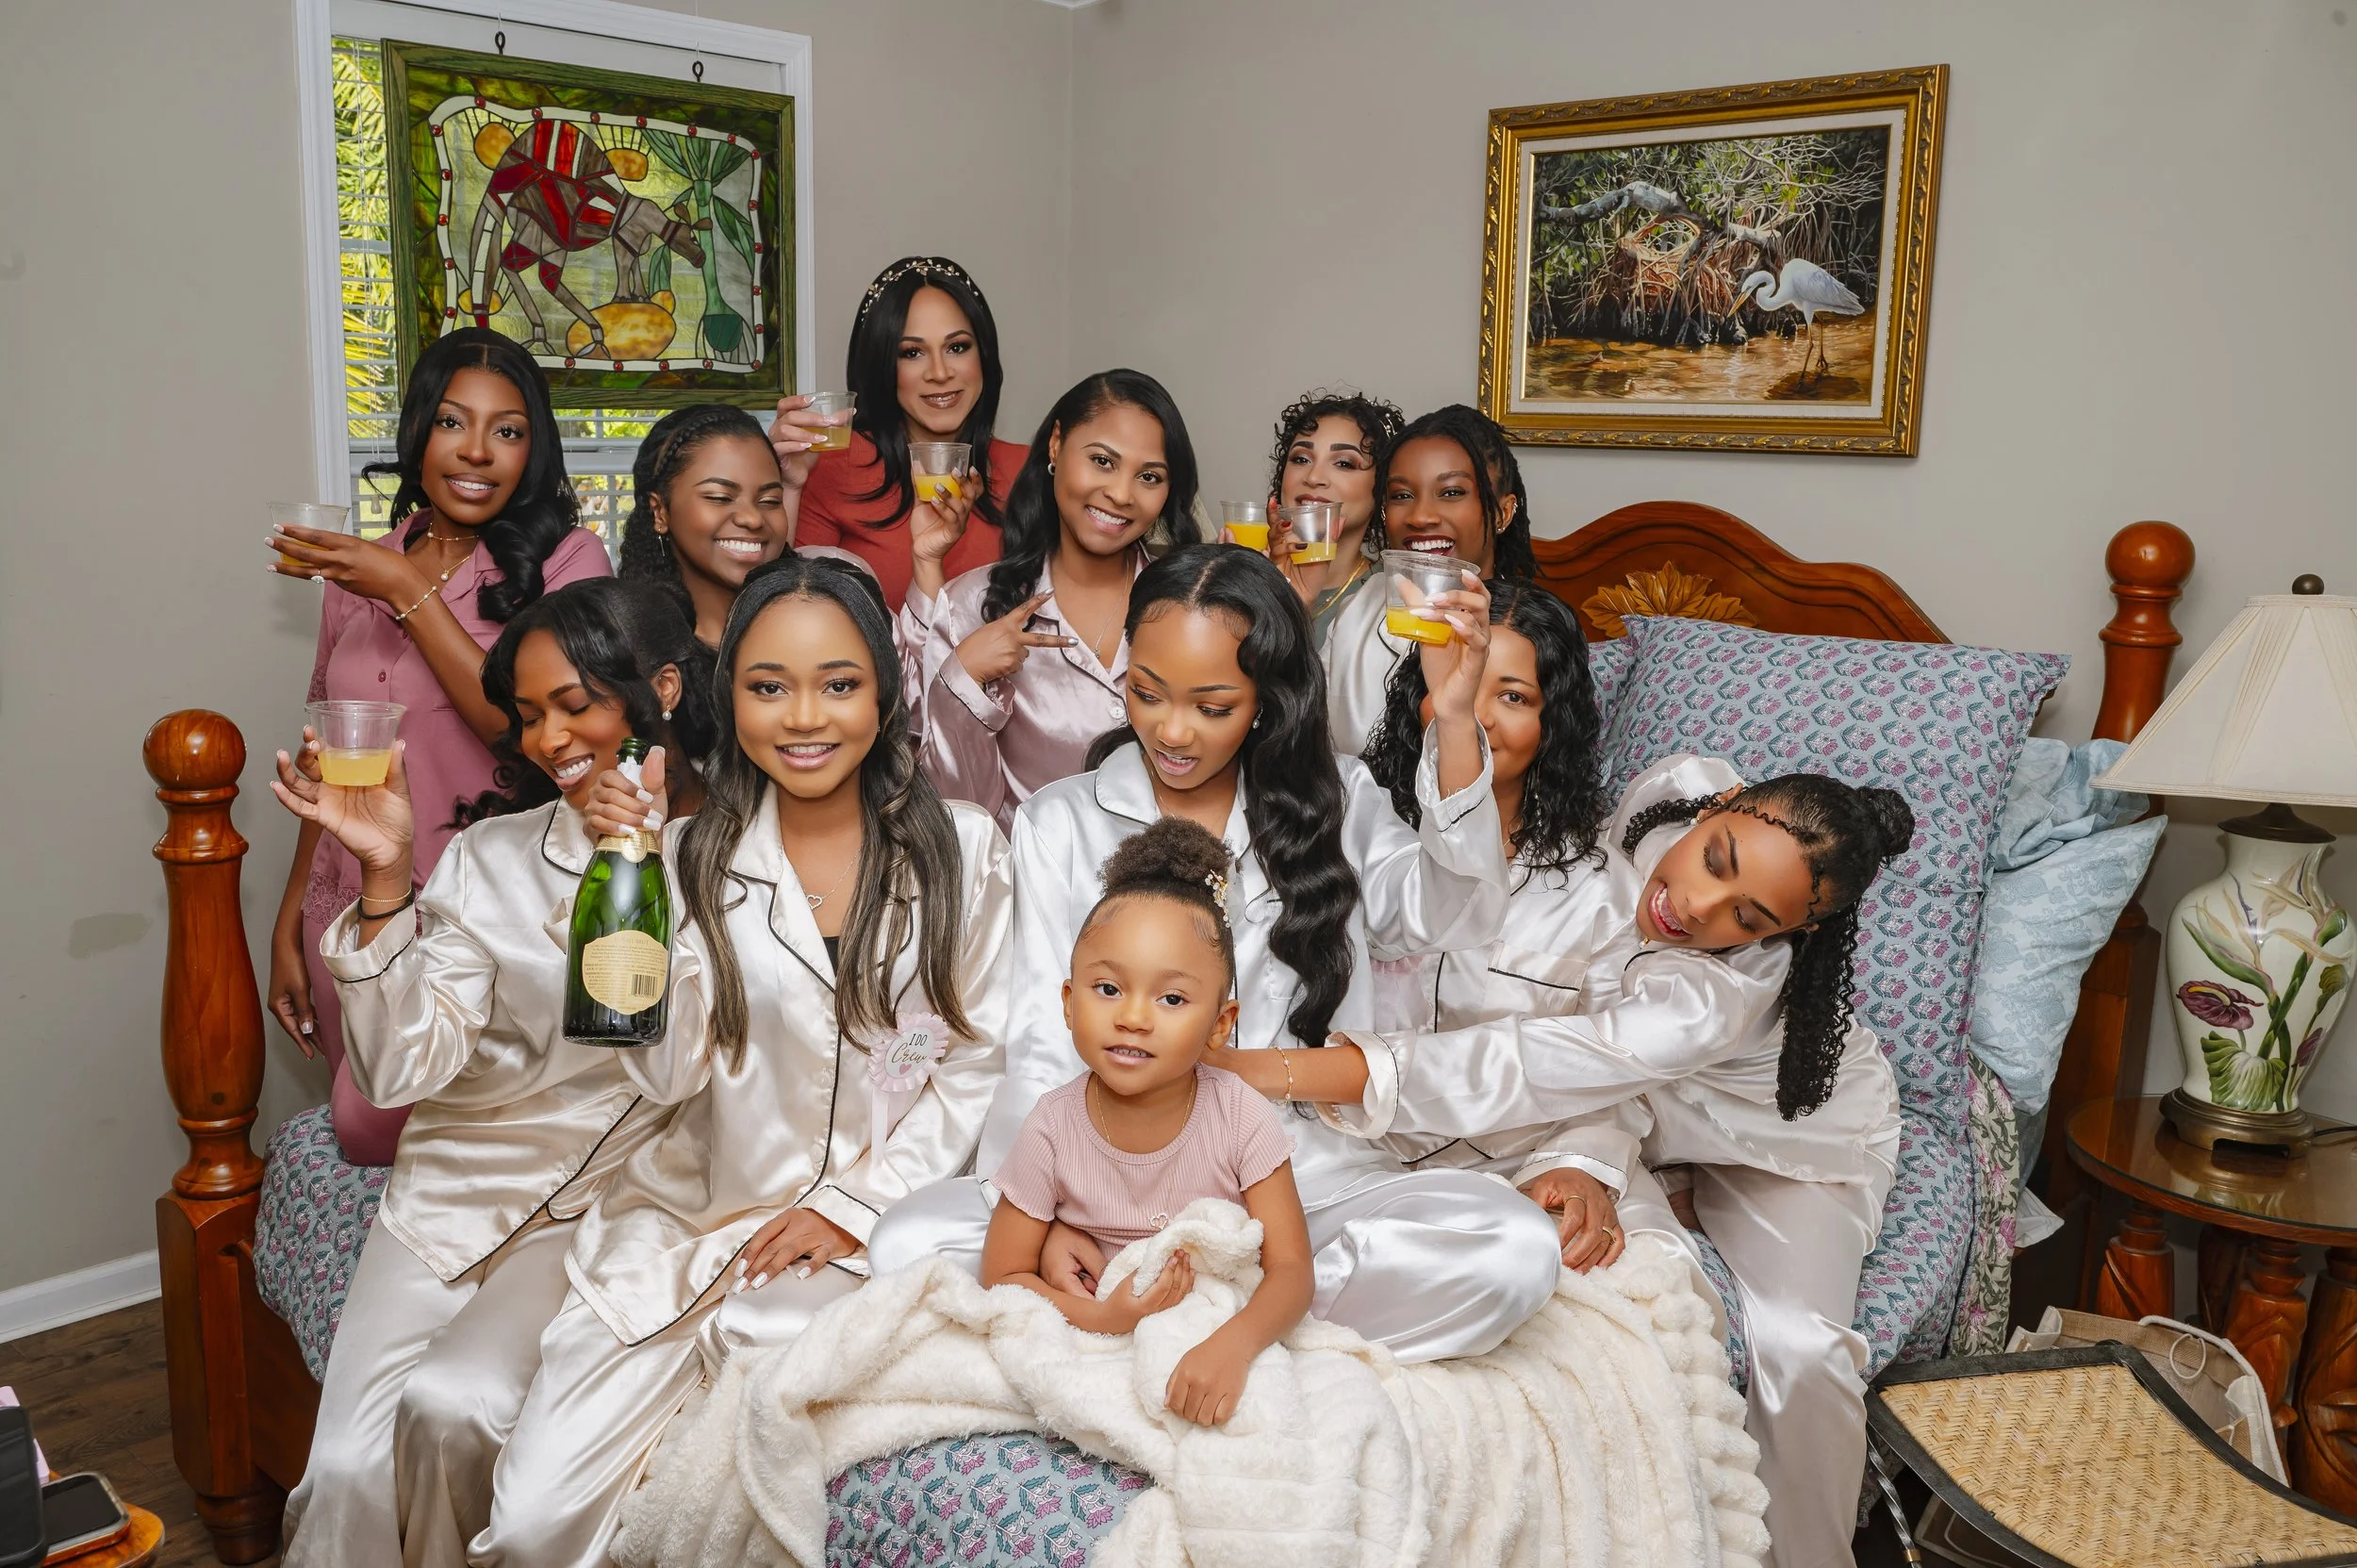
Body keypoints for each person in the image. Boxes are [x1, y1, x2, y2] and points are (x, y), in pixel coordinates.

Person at [871, 545, 1564, 1365]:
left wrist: (1453, 717)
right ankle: (1215, 1309)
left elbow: (1455, 910)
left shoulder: (1337, 800)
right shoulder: (1062, 819)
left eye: (1211, 704)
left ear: (1266, 701)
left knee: (1514, 1247)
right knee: (903, 1242)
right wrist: (1051, 1214)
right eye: (1146, 692)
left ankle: (1207, 1306)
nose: (1171, 729)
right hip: (1107, 1187)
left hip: (1296, 1181)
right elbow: (1039, 1039)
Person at [476, 556, 1013, 1568]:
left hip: (885, 1230)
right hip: (692, 1221)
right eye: (768, 686)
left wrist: (854, 1206)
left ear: (884, 691)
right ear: (731, 696)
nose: (803, 717)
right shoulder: (687, 858)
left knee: (750, 1458)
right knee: (533, 1524)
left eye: (838, 684)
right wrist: (619, 876)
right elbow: (658, 1070)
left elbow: (974, 1064)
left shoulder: (968, 850)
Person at [1268, 753, 1913, 1568]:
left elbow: (1538, 1060)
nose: (1695, 904)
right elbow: (1585, 1009)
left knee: (1800, 1348)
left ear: (1791, 933)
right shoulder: (1670, 790)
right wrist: (1591, 1154)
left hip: (1793, 1140)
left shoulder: (1711, 998)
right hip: (1642, 1098)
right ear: (1722, 802)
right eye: (1714, 856)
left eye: (1747, 918)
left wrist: (1298, 1070)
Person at [272, 578, 704, 1568]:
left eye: (575, 702)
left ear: (663, 688)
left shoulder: (726, 865)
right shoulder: (485, 861)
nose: (548, 738)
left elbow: (656, 1054)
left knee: (458, 1409)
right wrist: (387, 884)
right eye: (528, 713)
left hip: (606, 1207)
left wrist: (627, 862)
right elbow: (396, 1068)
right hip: (447, 1198)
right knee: (341, 1471)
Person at [265, 326, 611, 1166]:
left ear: (533, 452)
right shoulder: (366, 565)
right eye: (455, 422)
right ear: (419, 432)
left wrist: (405, 590)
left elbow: (519, 728)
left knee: (396, 1132)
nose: (478, 451)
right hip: (347, 908)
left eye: (509, 430)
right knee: (380, 1145)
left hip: (478, 913)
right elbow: (329, 749)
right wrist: (287, 920)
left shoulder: (570, 562)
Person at [982, 818, 1314, 1428]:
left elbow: (1292, 1271)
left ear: (1221, 1023)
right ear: (1067, 1001)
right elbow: (1002, 1274)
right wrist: (1107, 1318)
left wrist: (1233, 1346)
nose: (1133, 1017)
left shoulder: (1239, 1114)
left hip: (1216, 1325)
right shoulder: (1053, 1126)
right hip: (1100, 1327)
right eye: (1108, 988)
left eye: (1171, 999)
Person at [1355, 580, 1643, 1272]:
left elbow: (1623, 1064)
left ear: (1554, 721)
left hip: (1523, 1166)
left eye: (1512, 696)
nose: (1477, 714)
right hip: (1354, 1157)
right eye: (1459, 682)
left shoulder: (1602, 889)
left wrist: (1577, 1166)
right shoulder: (1359, 835)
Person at [906, 368, 1201, 830]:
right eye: (1102, 461)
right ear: (1057, 445)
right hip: (1025, 893)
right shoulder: (971, 606)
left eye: (1149, 476)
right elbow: (957, 816)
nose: (1121, 494)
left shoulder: (1193, 608)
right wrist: (962, 682)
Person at [790, 256, 1025, 611]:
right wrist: (786, 484)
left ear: (985, 355)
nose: (940, 372)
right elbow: (785, 613)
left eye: (957, 347)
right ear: (881, 365)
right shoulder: (832, 462)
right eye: (912, 352)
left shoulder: (1025, 467)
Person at [1323, 404, 1537, 758]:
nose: (1420, 517)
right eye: (1402, 495)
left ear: (1502, 512)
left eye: (1451, 492)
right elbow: (1298, 737)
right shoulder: (1359, 609)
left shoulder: (1530, 635)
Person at [1252, 389, 1403, 640]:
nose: (1313, 478)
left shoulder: (1393, 602)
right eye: (1301, 458)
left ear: (1382, 490)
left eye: (1344, 463)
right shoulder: (1246, 577)